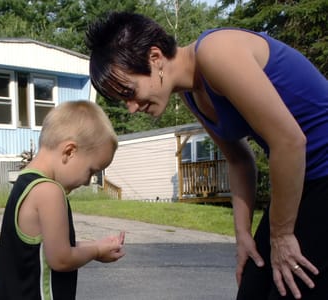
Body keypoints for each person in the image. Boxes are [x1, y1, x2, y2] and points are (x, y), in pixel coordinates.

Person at [86, 11, 328, 300]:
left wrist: (282, 235)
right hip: (304, 179)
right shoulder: (191, 93)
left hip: (319, 175)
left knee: (289, 285)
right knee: (252, 287)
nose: (131, 107)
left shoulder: (217, 52)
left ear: (155, 58)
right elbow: (239, 159)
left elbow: (289, 142)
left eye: (129, 91)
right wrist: (243, 236)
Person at [0, 100, 125, 299]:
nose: (89, 181)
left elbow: (49, 249)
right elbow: (61, 259)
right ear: (69, 152)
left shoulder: (25, 184)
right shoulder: (49, 191)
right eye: (91, 171)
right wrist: (96, 251)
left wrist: (97, 244)